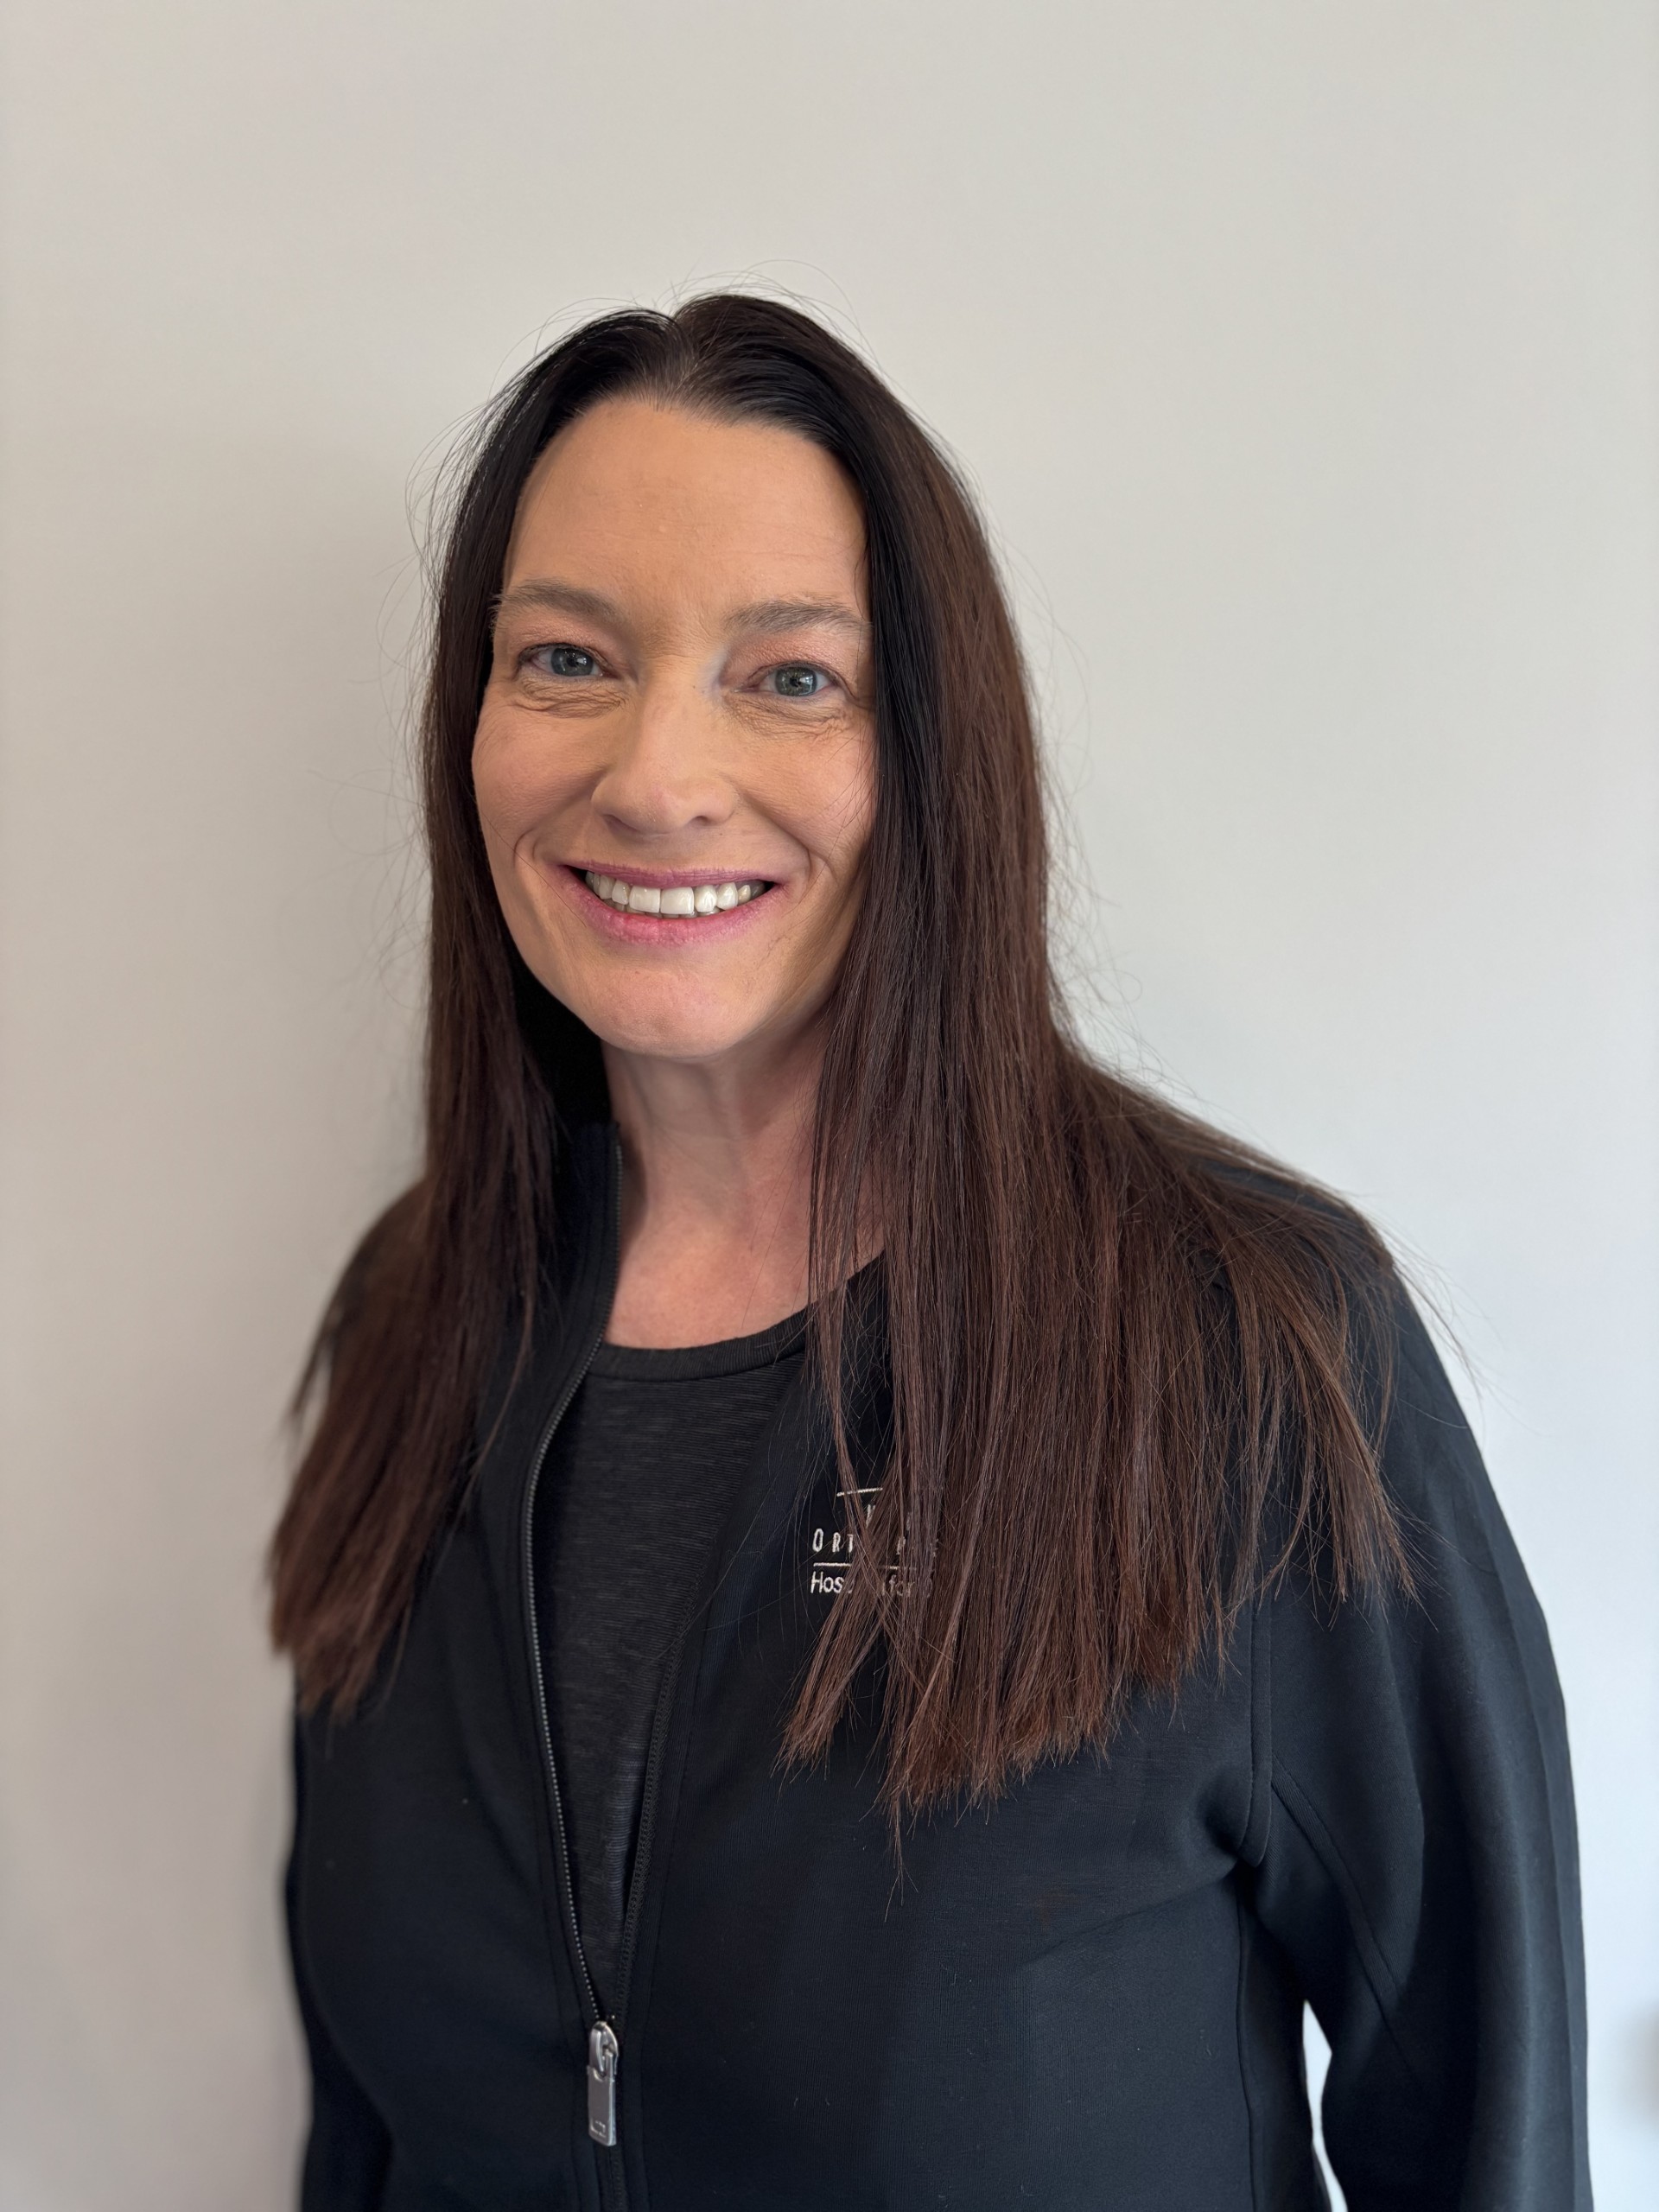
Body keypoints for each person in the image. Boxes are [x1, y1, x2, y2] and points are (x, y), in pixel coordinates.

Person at [271, 295, 1589, 2211]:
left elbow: (1491, 2143)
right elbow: (366, 2132)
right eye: (567, 656)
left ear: (930, 750)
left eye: (791, 675)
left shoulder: (1244, 1353)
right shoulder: (413, 1321)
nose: (654, 774)